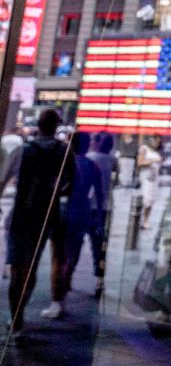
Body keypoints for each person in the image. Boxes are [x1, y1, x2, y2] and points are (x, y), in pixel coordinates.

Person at [7, 110, 70, 332]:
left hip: (19, 217)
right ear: (56, 126)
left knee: (17, 269)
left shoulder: (21, 151)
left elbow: (3, 180)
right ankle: (19, 315)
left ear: (38, 126)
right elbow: (68, 184)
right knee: (30, 269)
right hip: (44, 217)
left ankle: (16, 321)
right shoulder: (63, 152)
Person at [62, 132, 102, 310]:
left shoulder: (66, 163)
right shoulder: (92, 165)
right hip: (83, 208)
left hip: (66, 208)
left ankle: (63, 279)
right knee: (76, 246)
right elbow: (100, 193)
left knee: (64, 247)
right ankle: (68, 275)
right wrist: (99, 214)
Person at [86, 133, 116, 295]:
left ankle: (66, 277)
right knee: (98, 245)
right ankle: (99, 280)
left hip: (86, 205)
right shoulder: (112, 160)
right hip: (103, 207)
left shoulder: (90, 157)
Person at [136, 136, 161, 229]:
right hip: (146, 178)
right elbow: (140, 162)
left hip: (154, 178)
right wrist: (152, 161)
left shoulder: (155, 151)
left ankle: (146, 220)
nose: (158, 143)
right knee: (146, 199)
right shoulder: (144, 149)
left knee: (151, 200)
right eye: (156, 141)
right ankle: (141, 220)